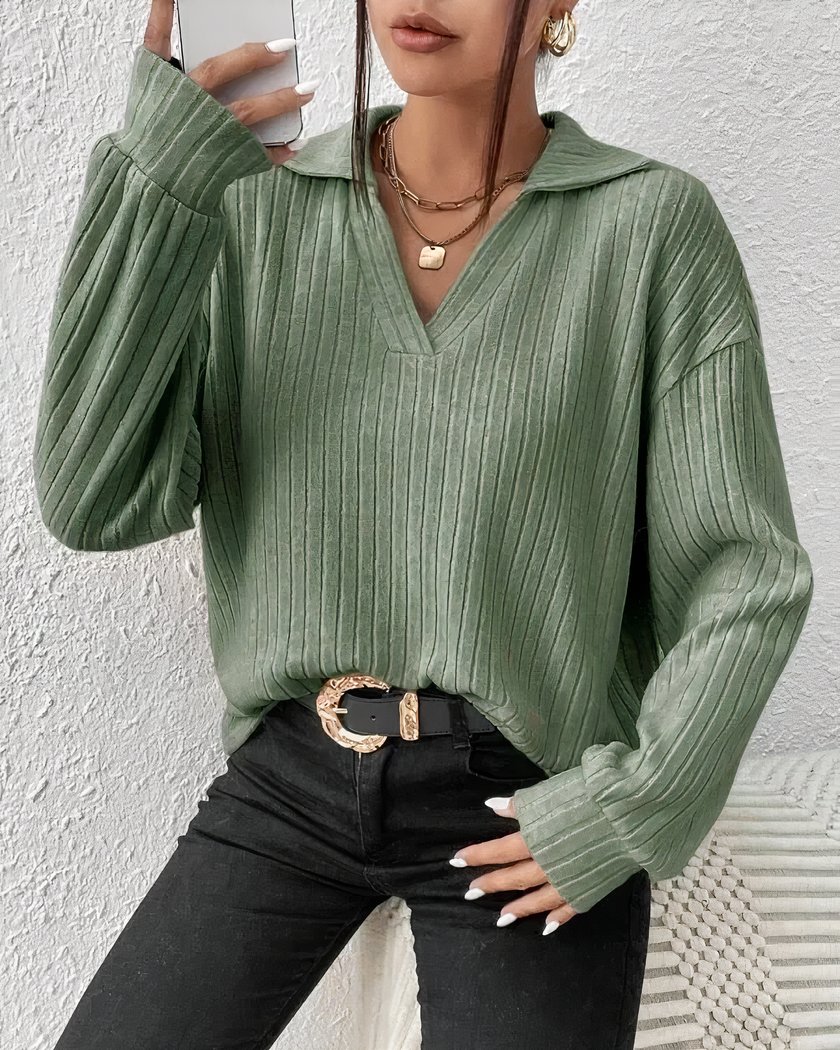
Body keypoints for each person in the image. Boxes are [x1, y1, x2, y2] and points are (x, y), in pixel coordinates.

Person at [33, 0, 813, 1047]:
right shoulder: (256, 209)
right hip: (290, 778)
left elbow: (746, 572)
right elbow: (95, 497)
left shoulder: (649, 228)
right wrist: (162, 181)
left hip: (521, 795)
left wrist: (627, 810)